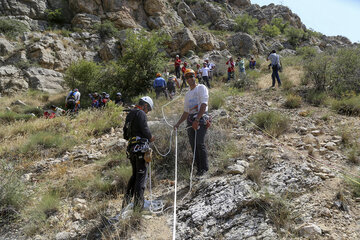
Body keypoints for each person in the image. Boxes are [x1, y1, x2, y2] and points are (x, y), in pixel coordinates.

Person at [174, 69, 210, 178]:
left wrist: (197, 120)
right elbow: (186, 112)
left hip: (201, 118)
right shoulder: (188, 94)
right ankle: (198, 170)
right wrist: (178, 124)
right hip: (190, 120)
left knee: (199, 143)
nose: (189, 79)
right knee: (193, 146)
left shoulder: (201, 88)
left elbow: (203, 105)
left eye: (191, 76)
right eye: (187, 77)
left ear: (195, 76)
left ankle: (204, 169)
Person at [122, 96, 155, 212]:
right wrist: (151, 137)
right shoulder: (141, 113)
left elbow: (125, 135)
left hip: (131, 148)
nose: (148, 112)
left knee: (135, 175)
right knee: (141, 177)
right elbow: (145, 129)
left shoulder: (130, 114)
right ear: (145, 105)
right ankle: (138, 208)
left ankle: (126, 202)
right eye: (148, 109)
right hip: (140, 148)